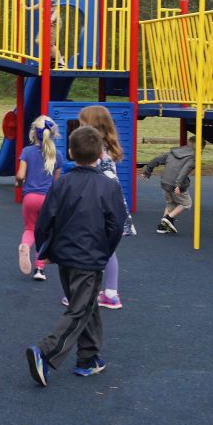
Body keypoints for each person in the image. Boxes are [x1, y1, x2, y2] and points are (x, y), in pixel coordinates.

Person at [26, 125, 126, 386]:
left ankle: (89, 358)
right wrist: (105, 251)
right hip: (89, 257)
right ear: (100, 155)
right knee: (80, 309)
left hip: (66, 257)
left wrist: (44, 252)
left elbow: (45, 221)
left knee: (86, 304)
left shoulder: (62, 184)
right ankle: (46, 352)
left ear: (70, 152)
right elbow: (116, 224)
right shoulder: (108, 186)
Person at [77, 105, 133, 310]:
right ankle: (110, 293)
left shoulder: (97, 153)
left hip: (99, 209)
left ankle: (82, 295)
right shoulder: (108, 150)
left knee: (88, 250)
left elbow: (91, 182)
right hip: (112, 207)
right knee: (107, 251)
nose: (80, 127)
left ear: (92, 126)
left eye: (83, 124)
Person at [16, 115, 60, 281]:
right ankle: (39, 269)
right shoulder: (57, 155)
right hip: (47, 199)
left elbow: (20, 175)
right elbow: (56, 182)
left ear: (34, 132)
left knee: (30, 229)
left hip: (30, 198)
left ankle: (25, 246)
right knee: (45, 233)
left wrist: (19, 184)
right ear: (53, 133)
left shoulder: (26, 152)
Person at [143, 138, 197, 235]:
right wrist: (178, 184)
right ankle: (168, 218)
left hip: (165, 183)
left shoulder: (173, 152)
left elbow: (157, 159)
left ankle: (162, 226)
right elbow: (184, 171)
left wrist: (147, 171)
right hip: (176, 185)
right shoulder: (193, 157)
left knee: (171, 204)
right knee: (186, 203)